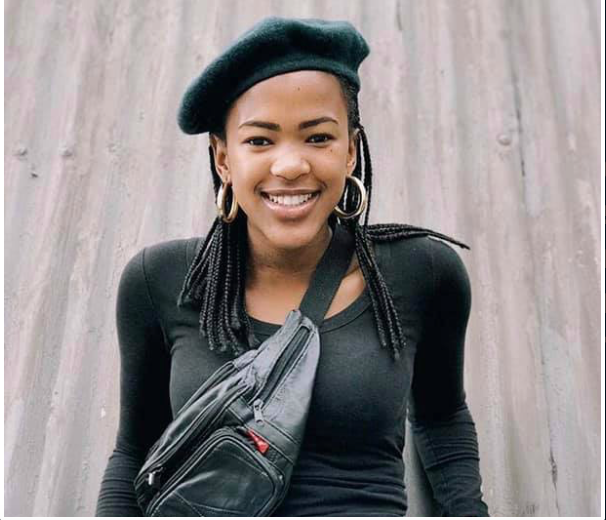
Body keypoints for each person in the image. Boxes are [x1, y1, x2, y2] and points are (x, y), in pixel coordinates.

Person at [95, 16, 489, 517]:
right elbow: (134, 453)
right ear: (223, 158)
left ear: (350, 150)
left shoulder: (422, 272)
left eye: (318, 138)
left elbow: (442, 419)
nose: (289, 165)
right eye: (260, 141)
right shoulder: (160, 281)